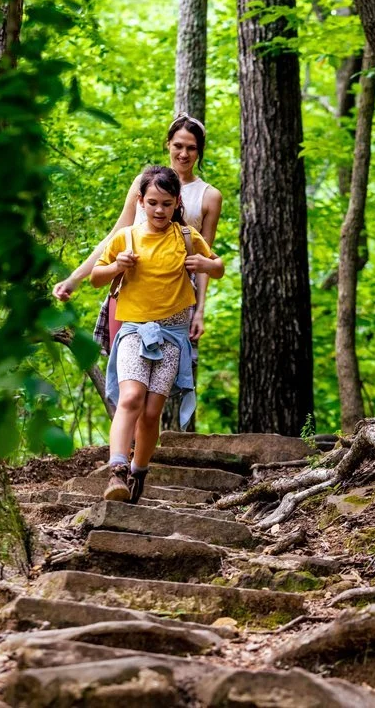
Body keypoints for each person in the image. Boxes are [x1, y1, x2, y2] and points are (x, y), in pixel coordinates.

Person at [88, 166, 224, 502]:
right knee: (131, 398)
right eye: (152, 202)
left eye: (166, 203)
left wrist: (205, 266)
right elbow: (95, 277)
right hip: (134, 330)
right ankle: (116, 472)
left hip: (172, 335)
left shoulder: (188, 237)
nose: (159, 210)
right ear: (141, 201)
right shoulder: (127, 238)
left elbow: (218, 266)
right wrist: (117, 266)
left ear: (177, 202)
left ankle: (138, 473)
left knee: (151, 413)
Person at [53, 114, 223, 344]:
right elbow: (116, 236)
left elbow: (203, 259)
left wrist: (200, 310)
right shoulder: (144, 183)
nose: (184, 154)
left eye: (191, 148)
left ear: (200, 149)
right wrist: (74, 278)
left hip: (174, 296)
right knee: (124, 366)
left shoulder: (209, 196)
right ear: (168, 145)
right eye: (178, 146)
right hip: (130, 287)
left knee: (169, 373)